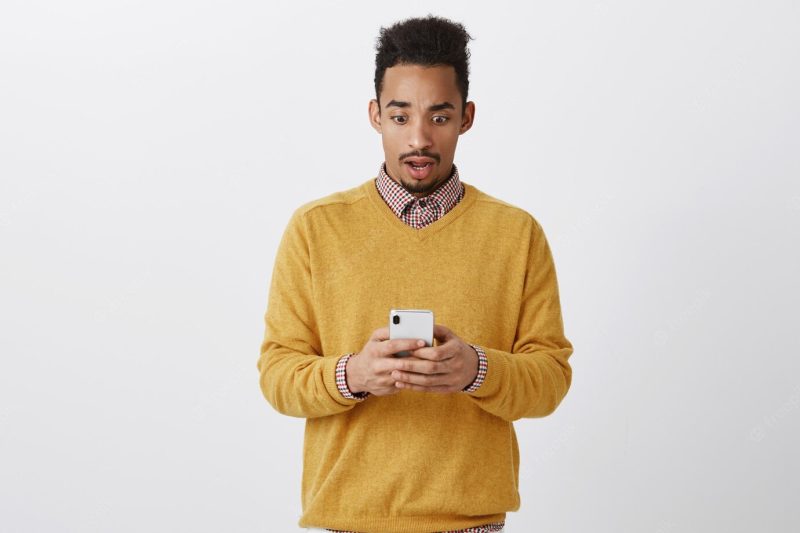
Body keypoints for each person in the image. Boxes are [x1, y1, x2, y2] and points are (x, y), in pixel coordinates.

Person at [257, 14, 574, 533]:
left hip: (470, 523)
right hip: (346, 520)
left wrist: (476, 370)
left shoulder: (517, 234)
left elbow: (550, 380)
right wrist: (353, 374)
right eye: (400, 117)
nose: (419, 139)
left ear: (466, 117)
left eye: (440, 117)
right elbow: (277, 375)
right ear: (375, 115)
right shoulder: (316, 229)